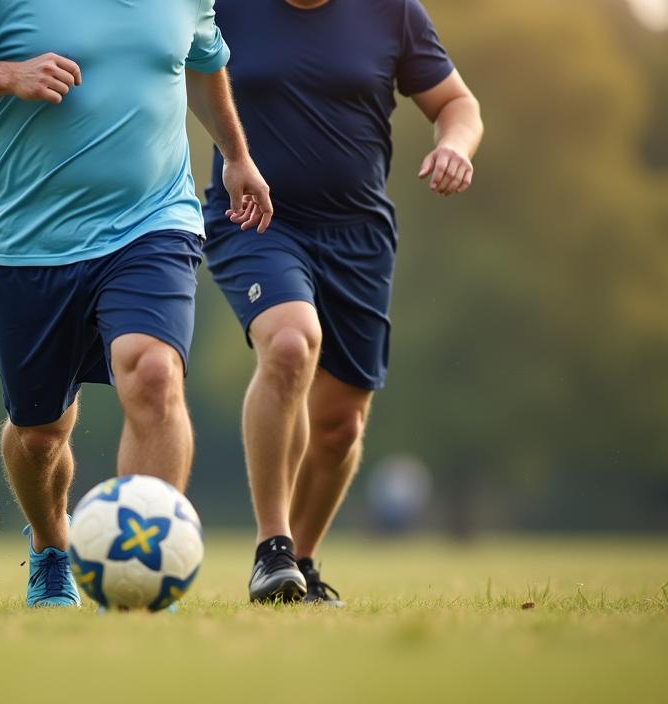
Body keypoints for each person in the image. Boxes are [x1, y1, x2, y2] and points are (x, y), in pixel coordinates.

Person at [0, 0, 273, 608]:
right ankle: (50, 546)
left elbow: (202, 63)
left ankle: (144, 582)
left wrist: (236, 155)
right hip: (26, 245)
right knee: (41, 435)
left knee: (153, 375)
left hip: (153, 224)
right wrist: (6, 75)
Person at [202, 0, 484, 605]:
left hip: (358, 233)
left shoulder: (393, 12)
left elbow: (457, 104)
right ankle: (270, 548)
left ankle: (297, 567)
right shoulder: (220, 7)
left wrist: (456, 144)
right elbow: (170, 69)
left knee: (339, 426)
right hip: (255, 218)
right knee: (289, 341)